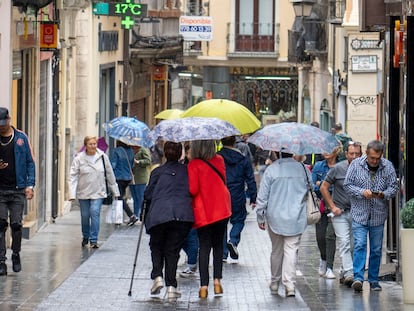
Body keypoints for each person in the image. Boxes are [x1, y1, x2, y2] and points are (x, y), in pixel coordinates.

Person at [344, 140, 398, 292]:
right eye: (372, 158)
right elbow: (347, 186)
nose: (374, 161)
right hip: (359, 213)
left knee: (375, 249)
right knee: (360, 244)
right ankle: (358, 278)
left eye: (377, 158)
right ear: (366, 153)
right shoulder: (355, 165)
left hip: (378, 215)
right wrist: (362, 192)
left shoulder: (387, 167)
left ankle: (374, 279)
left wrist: (383, 194)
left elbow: (393, 187)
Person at [144, 141, 193, 302]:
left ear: (164, 153)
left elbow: (148, 195)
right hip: (181, 215)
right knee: (172, 250)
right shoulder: (187, 171)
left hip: (159, 213)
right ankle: (171, 286)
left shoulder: (157, 172)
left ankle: (157, 275)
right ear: (180, 154)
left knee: (156, 245)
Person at [256, 151, 309, 297]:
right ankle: (289, 285)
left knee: (276, 250)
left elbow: (262, 196)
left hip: (275, 216)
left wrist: (260, 216)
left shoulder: (271, 169)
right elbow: (309, 190)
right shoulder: (302, 169)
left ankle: (274, 282)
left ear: (278, 153)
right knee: (291, 250)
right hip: (296, 216)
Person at [187, 140, 231, 299]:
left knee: (204, 247)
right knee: (218, 245)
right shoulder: (219, 159)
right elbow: (223, 180)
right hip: (222, 208)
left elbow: (193, 189)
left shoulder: (194, 164)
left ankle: (204, 286)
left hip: (204, 211)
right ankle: (217, 281)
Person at [320, 142, 362, 287]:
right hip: (340, 213)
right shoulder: (338, 168)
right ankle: (350, 273)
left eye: (357, 154)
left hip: (357, 212)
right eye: (352, 153)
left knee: (352, 245)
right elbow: (323, 187)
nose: (355, 156)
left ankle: (344, 272)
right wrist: (332, 206)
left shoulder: (364, 169)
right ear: (346, 154)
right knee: (344, 242)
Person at [0, 107, 35, 276]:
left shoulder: (21, 138)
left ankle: (15, 253)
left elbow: (30, 162)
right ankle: (1, 261)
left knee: (16, 226)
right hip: (0, 190)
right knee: (0, 226)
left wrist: (30, 185)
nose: (1, 127)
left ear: (9, 119)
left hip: (17, 190)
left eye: (4, 123)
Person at [69, 136, 120, 249]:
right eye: (90, 144)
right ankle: (85, 236)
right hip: (84, 192)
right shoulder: (79, 158)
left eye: (94, 144)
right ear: (85, 145)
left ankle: (94, 239)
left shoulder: (102, 157)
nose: (93, 146)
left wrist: (115, 190)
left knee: (95, 212)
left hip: (98, 191)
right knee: (85, 215)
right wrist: (72, 193)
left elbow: (110, 174)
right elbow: (73, 176)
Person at [218, 136, 257, 262]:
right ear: (234, 142)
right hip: (237, 194)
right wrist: (253, 197)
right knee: (239, 220)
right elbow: (250, 179)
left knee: (222, 224)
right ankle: (233, 240)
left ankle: (223, 253)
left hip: (221, 194)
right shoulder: (242, 159)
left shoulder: (217, 158)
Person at [312, 149, 340, 279]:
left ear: (337, 151)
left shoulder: (341, 166)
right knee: (320, 236)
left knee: (330, 236)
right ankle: (323, 258)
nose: (326, 152)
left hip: (336, 205)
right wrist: (325, 186)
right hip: (321, 206)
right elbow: (313, 186)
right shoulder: (318, 166)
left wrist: (323, 184)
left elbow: (340, 187)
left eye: (330, 149)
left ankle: (329, 267)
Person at [179, 142, 199, 278]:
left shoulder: (198, 166)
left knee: (192, 236)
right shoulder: (182, 167)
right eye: (191, 151)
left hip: (195, 206)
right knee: (181, 237)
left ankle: (192, 263)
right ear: (186, 153)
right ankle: (193, 256)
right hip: (183, 205)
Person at [110, 141, 139, 226]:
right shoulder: (131, 151)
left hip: (118, 177)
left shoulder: (117, 151)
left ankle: (131, 215)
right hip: (127, 178)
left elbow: (113, 165)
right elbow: (133, 164)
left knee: (119, 197)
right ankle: (120, 217)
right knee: (121, 196)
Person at [130, 145, 151, 219]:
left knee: (140, 197)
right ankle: (136, 215)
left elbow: (148, 161)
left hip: (140, 177)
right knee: (134, 198)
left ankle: (141, 215)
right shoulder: (130, 149)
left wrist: (139, 162)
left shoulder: (143, 149)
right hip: (132, 177)